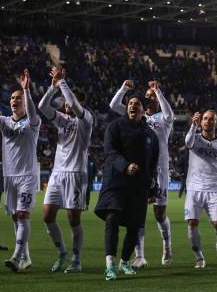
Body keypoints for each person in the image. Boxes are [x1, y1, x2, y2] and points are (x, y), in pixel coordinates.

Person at [109, 80, 174, 267]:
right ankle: (139, 256)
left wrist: (158, 90)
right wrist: (124, 88)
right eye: (147, 95)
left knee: (159, 214)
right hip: (138, 170)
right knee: (137, 213)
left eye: (152, 95)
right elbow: (113, 105)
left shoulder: (163, 119)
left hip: (159, 170)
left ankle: (167, 245)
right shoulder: (137, 115)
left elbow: (169, 113)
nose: (149, 97)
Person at [95, 93, 159, 281]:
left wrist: (152, 189)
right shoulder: (114, 127)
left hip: (139, 186)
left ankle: (124, 261)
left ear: (142, 110)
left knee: (135, 226)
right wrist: (125, 165)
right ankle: (109, 264)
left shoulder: (151, 135)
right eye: (130, 103)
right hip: (116, 181)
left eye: (136, 104)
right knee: (112, 218)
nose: (132, 106)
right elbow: (110, 152)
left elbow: (152, 165)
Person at [0, 69, 40, 272]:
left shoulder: (33, 123)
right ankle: (27, 257)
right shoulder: (5, 121)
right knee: (16, 217)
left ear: (25, 102)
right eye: (13, 98)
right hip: (9, 176)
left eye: (19, 98)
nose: (14, 100)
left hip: (27, 175)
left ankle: (16, 257)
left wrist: (27, 90)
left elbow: (33, 113)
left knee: (23, 215)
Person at [38, 67, 93, 273]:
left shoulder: (86, 119)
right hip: (57, 173)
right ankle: (62, 252)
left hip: (76, 174)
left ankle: (77, 260)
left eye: (70, 101)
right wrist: (53, 87)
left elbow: (76, 107)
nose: (66, 104)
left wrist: (62, 82)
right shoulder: (62, 118)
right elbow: (42, 106)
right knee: (47, 216)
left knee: (73, 218)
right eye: (65, 102)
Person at [184, 110, 217, 269]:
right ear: (201, 122)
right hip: (194, 189)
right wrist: (193, 125)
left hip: (214, 190)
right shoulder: (195, 138)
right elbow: (187, 143)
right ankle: (199, 257)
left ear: (216, 123)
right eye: (205, 118)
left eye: (211, 119)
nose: (207, 121)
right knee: (192, 222)